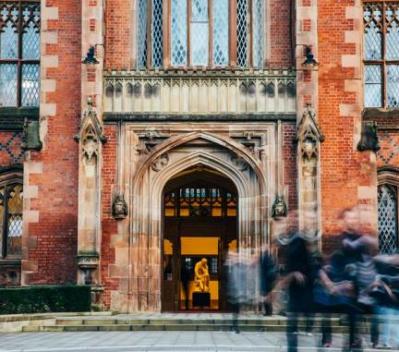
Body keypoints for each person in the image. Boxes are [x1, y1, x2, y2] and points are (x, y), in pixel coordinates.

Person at [259, 246, 278, 316]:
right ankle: (268, 311)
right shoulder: (266, 257)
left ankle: (269, 311)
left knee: (266, 294)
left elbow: (267, 269)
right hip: (267, 280)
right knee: (266, 294)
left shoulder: (267, 257)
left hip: (267, 280)